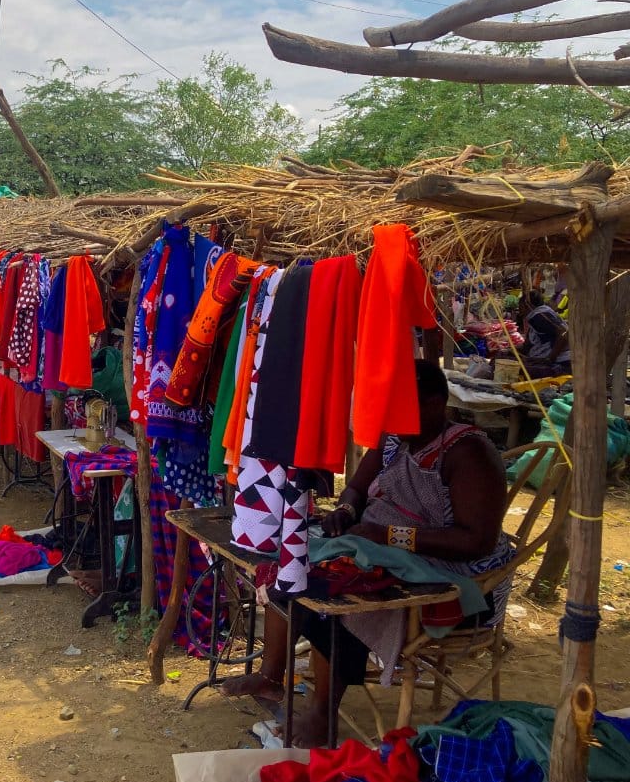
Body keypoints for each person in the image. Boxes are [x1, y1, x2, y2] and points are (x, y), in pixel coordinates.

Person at [220, 360, 513, 747]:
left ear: (437, 403)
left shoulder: (469, 452)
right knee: (296, 567)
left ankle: (322, 714)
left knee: (336, 600)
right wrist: (347, 511)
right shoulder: (394, 439)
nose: (393, 420)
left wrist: (392, 536)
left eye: (403, 410)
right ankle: (273, 675)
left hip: (459, 580)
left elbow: (475, 541)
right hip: (383, 546)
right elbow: (356, 489)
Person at [519, 289, 570, 377]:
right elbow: (528, 345)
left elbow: (563, 334)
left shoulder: (539, 316)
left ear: (526, 305)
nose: (519, 309)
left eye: (520, 306)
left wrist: (549, 359)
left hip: (561, 362)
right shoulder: (537, 315)